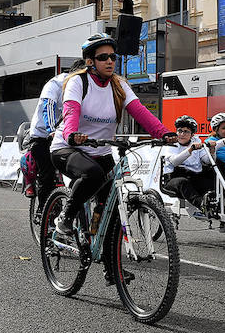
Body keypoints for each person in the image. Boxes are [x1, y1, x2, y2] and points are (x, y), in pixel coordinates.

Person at [50, 33, 176, 283]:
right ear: (90, 61)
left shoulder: (118, 84)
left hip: (101, 150)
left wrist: (163, 133)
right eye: (103, 57)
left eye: (113, 57)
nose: (110, 61)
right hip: (68, 148)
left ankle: (111, 269)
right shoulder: (78, 82)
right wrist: (72, 134)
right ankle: (65, 218)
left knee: (111, 211)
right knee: (93, 174)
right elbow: (71, 111)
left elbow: (139, 111)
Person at [23, 59, 87, 216]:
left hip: (66, 135)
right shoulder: (55, 84)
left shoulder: (84, 87)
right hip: (43, 136)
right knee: (48, 174)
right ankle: (44, 212)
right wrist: (51, 130)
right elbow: (48, 107)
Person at [163, 115, 214, 217]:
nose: (182, 134)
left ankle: (216, 201)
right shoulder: (171, 144)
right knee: (183, 182)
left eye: (186, 131)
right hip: (173, 179)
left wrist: (212, 150)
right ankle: (202, 205)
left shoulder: (196, 142)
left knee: (212, 173)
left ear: (191, 134)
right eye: (180, 131)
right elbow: (174, 161)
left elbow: (207, 160)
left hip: (193, 177)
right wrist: (191, 149)